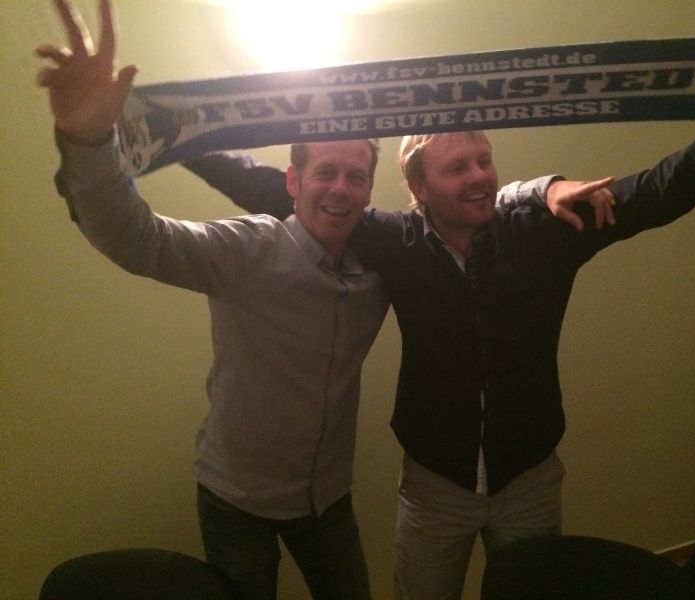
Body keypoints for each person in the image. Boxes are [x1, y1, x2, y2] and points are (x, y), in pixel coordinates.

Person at [35, 2, 614, 598]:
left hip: (328, 502)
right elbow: (133, 237)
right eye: (326, 173)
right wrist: (87, 140)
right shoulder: (244, 250)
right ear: (293, 182)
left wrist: (541, 187)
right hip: (236, 498)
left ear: (369, 190)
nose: (341, 189)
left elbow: (461, 215)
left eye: (355, 177)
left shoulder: (381, 268)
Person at [186, 111, 695, 600]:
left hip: (530, 480)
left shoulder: (549, 229)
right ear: (419, 189)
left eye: (484, 160)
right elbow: (270, 186)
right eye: (457, 168)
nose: (479, 176)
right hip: (432, 487)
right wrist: (176, 134)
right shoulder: (393, 240)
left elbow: (669, 186)